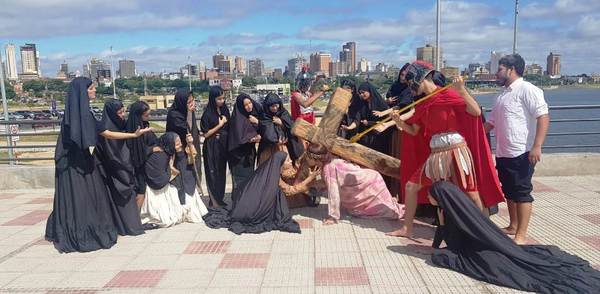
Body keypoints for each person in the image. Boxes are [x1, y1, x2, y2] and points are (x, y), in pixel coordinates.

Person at [387, 61, 504, 238]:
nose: (410, 88)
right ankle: (407, 229)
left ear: (421, 79)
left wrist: (462, 90)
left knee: (471, 192)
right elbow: (413, 131)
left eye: (411, 83)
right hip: (435, 154)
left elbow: (475, 112)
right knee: (411, 186)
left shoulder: (447, 94)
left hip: (455, 150)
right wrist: (398, 121)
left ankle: (484, 232)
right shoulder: (423, 103)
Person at [428, 181, 600, 294]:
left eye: (431, 195)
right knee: (438, 254)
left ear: (440, 198)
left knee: (440, 257)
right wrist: (436, 241)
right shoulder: (455, 207)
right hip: (482, 246)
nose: (428, 198)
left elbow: (455, 245)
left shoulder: (451, 214)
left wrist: (443, 227)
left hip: (478, 253)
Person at [45, 77, 152, 253]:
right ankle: (82, 233)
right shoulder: (80, 114)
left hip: (80, 161)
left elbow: (105, 133)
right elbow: (105, 134)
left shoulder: (82, 113)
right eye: (92, 88)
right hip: (73, 164)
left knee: (85, 196)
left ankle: (76, 228)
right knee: (83, 197)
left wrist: (133, 135)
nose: (95, 91)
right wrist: (133, 136)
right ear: (83, 92)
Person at [484, 54, 549, 245]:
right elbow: (491, 123)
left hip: (522, 151)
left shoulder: (527, 89)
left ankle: (522, 233)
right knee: (509, 191)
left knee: (521, 192)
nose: (496, 73)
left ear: (511, 69)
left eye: (500, 69)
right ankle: (513, 226)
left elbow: (543, 117)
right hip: (504, 152)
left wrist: (537, 146)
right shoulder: (502, 95)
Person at [203, 151, 303, 235]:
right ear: (281, 163)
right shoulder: (273, 178)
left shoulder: (269, 171)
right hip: (250, 212)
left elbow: (290, 175)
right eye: (288, 160)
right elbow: (290, 190)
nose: (290, 162)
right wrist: (311, 178)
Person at [303, 144, 405, 225]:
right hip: (370, 178)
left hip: (368, 183)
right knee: (385, 205)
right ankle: (401, 208)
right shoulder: (331, 160)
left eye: (307, 157)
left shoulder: (328, 169)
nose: (306, 160)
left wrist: (333, 216)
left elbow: (333, 193)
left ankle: (405, 211)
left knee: (386, 211)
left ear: (315, 159)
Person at [96, 99, 144, 236]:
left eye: (124, 111)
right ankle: (127, 227)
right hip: (116, 171)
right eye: (120, 112)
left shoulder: (120, 124)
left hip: (124, 168)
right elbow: (112, 153)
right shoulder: (107, 127)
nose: (123, 115)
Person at [141, 132, 186, 228]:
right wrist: (170, 173)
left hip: (164, 183)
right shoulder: (159, 156)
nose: (180, 145)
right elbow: (158, 178)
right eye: (177, 144)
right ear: (170, 143)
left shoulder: (167, 151)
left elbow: (182, 162)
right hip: (157, 189)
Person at [166, 89, 202, 197]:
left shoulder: (188, 111)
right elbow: (187, 129)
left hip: (191, 148)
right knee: (183, 175)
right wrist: (190, 113)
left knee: (194, 172)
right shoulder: (174, 115)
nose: (192, 104)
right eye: (189, 102)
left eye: (193, 101)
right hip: (179, 151)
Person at [200, 86, 230, 207]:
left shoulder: (224, 110)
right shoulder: (207, 114)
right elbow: (206, 134)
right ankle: (214, 200)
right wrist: (220, 124)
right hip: (212, 147)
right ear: (213, 99)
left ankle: (220, 198)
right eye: (219, 99)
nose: (222, 101)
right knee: (213, 173)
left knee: (221, 172)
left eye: (223, 98)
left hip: (222, 146)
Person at [126, 101, 158, 209]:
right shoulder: (133, 129)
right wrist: (152, 149)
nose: (148, 117)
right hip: (137, 166)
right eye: (146, 115)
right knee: (140, 191)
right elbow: (136, 150)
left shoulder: (144, 125)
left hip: (145, 164)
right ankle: (135, 218)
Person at [228, 93, 262, 191]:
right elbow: (238, 136)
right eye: (245, 105)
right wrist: (250, 139)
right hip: (238, 156)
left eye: (250, 103)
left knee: (249, 179)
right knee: (240, 181)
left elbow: (264, 127)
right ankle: (239, 203)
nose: (249, 106)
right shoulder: (237, 118)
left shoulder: (253, 115)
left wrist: (257, 122)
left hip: (249, 154)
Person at [257, 93, 304, 164]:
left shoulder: (283, 113)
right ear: (267, 106)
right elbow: (267, 133)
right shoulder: (264, 116)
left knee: (285, 170)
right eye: (272, 106)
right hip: (268, 149)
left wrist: (282, 123)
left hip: (284, 147)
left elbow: (292, 127)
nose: (275, 108)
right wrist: (276, 139)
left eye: (276, 105)